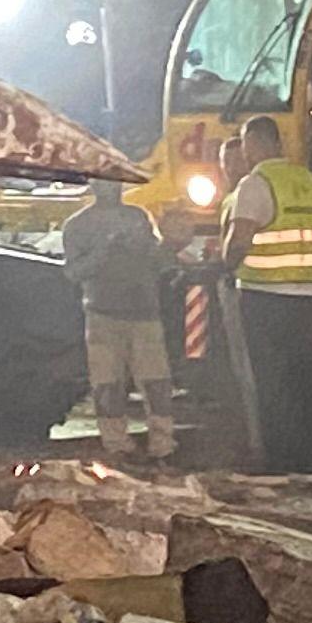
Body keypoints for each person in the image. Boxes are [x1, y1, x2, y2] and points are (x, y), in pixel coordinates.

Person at [220, 115, 312, 466]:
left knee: (270, 380)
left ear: (253, 143)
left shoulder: (255, 184)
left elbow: (239, 241)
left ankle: (278, 458)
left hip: (263, 295)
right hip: (306, 294)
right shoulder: (307, 180)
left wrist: (224, 266)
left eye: (244, 143)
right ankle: (305, 457)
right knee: (303, 377)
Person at [61, 185, 180, 463]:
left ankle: (162, 443)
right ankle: (116, 444)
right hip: (103, 315)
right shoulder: (78, 224)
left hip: (144, 313)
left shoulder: (137, 216)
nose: (111, 188)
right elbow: (73, 272)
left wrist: (170, 244)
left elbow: (157, 259)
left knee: (156, 383)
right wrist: (105, 251)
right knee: (107, 384)